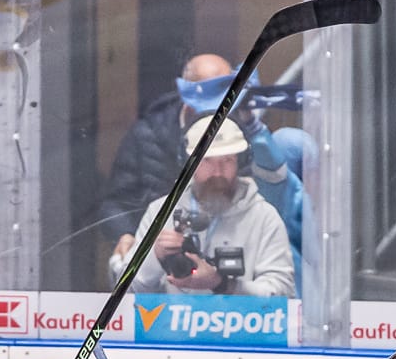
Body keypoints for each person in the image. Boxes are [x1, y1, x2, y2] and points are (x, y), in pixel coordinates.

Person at [95, 53, 307, 278]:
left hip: (235, 263)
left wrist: (253, 128)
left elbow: (272, 196)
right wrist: (125, 234)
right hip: (160, 262)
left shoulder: (240, 137)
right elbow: (116, 202)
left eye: (226, 161)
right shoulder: (147, 135)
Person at [116, 118, 296, 297]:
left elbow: (282, 295)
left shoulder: (263, 216)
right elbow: (126, 293)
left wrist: (222, 284)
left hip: (241, 324)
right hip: (170, 324)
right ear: (190, 163)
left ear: (240, 162)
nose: (218, 173)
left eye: (227, 160)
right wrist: (154, 257)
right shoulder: (161, 212)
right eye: (207, 161)